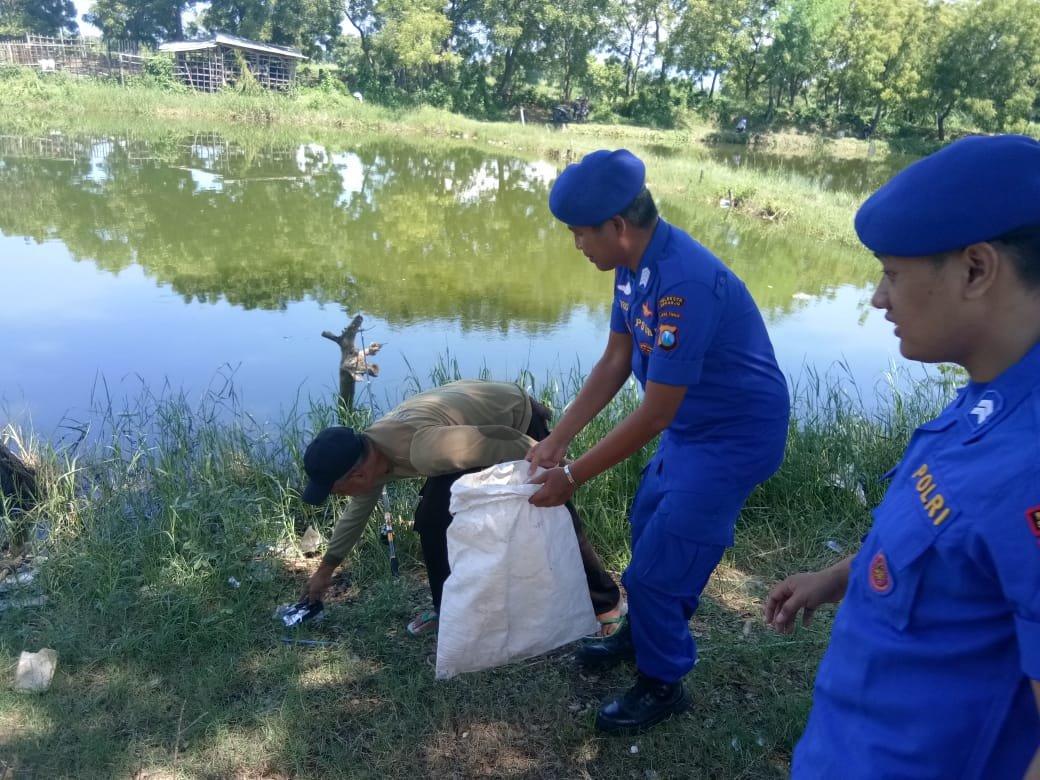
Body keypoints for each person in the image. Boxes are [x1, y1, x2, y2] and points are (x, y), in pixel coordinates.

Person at [765, 134, 1040, 779]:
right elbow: (956, 544)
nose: (878, 298)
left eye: (892, 274)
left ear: (976, 270)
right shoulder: (989, 396)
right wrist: (841, 576)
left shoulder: (1030, 465)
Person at [526, 149, 790, 732]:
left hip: (733, 436)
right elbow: (616, 359)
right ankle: (641, 632)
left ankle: (662, 682)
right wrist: (556, 441)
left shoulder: (683, 284)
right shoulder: (632, 266)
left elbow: (654, 415)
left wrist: (571, 477)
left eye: (580, 234)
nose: (577, 245)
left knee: (658, 571)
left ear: (617, 226)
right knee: (647, 524)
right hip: (693, 426)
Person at [300, 379, 623, 636]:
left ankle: (606, 603)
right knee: (431, 518)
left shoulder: (424, 450)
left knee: (550, 504)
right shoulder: (370, 453)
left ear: (357, 474)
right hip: (463, 435)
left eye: (337, 490)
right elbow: (358, 512)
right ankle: (449, 613)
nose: (340, 497)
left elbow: (496, 440)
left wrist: (557, 464)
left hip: (514, 420)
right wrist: (326, 569)